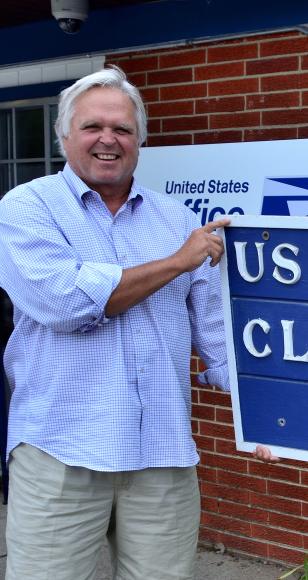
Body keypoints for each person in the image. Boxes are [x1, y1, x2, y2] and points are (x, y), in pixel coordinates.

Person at [0, 66, 232, 579]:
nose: (108, 139)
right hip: (61, 451)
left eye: (123, 129)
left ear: (140, 141)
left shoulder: (176, 220)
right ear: (65, 136)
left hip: (162, 454)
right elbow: (66, 303)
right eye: (92, 127)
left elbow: (219, 343)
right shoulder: (26, 208)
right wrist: (176, 261)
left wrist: (270, 418)